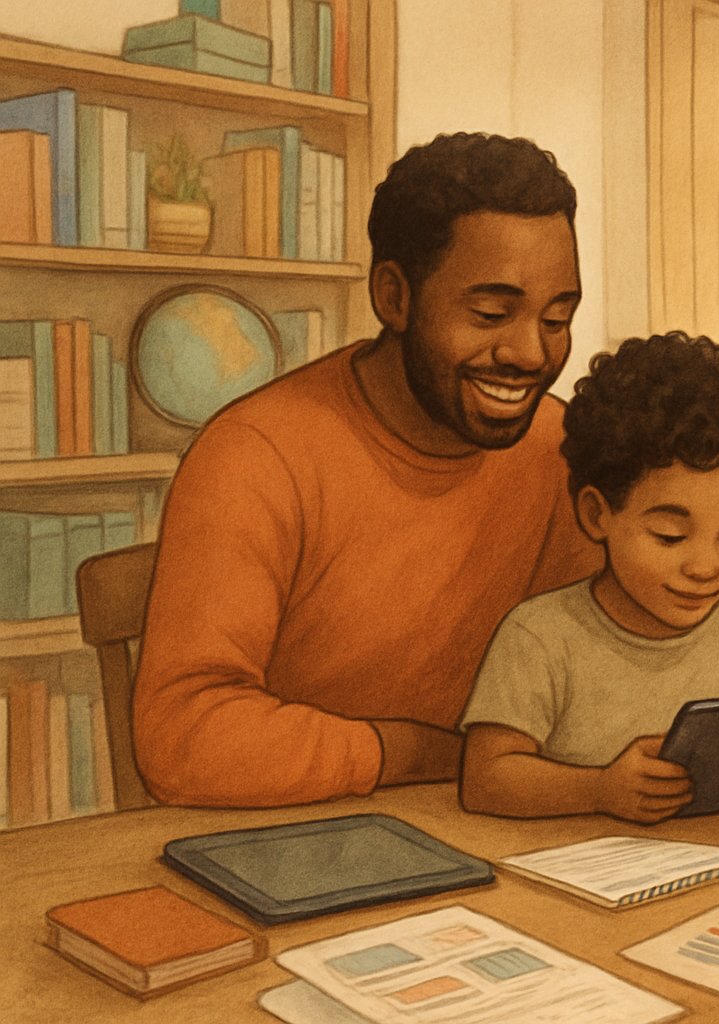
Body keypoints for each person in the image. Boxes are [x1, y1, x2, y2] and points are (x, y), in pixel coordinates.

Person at [134, 134, 603, 807]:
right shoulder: (257, 454)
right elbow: (183, 738)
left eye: (557, 318)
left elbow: (605, 662)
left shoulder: (562, 449)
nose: (531, 353)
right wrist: (416, 753)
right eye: (492, 314)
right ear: (394, 297)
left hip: (499, 827)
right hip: (289, 837)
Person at [458, 332, 719, 823]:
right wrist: (599, 790)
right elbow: (485, 779)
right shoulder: (540, 636)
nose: (705, 567)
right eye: (670, 536)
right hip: (574, 875)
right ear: (596, 515)